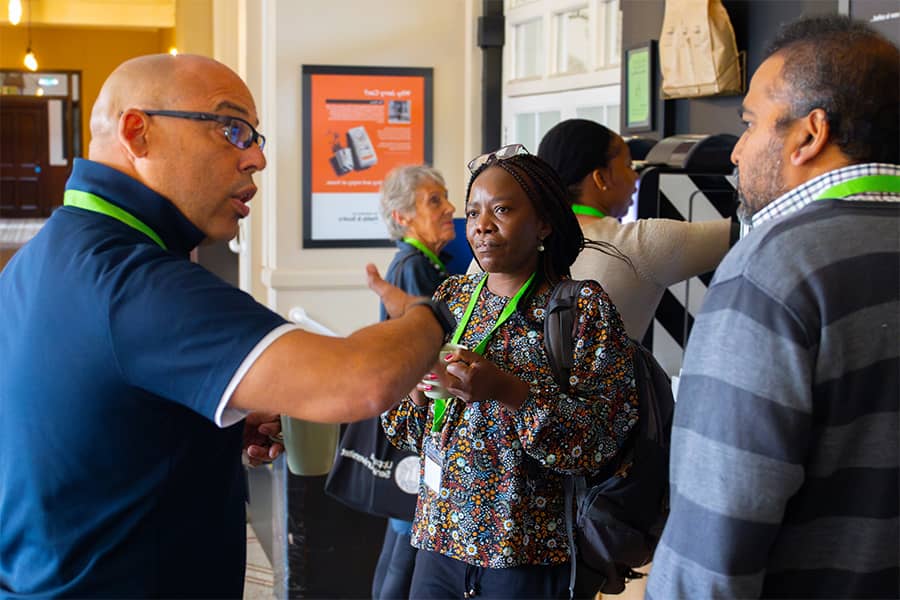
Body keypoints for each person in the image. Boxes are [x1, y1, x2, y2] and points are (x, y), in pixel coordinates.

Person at [0, 54, 455, 598]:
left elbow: (69, 416)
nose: (257, 157)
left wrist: (190, 424)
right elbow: (361, 379)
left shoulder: (43, 254)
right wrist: (433, 311)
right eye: (232, 129)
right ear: (136, 131)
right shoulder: (137, 280)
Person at [647, 14, 899, 599]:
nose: (736, 151)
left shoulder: (771, 270)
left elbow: (716, 534)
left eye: (750, 122)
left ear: (809, 134)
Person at [381, 147, 639, 599]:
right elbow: (402, 427)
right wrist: (418, 392)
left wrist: (507, 390)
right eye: (474, 212)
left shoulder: (581, 309)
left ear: (542, 223)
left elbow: (600, 441)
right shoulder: (453, 297)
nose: (481, 225)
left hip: (527, 556)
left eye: (501, 210)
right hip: (438, 540)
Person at [328, 164, 456, 600]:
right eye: (434, 201)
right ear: (403, 218)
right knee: (408, 525)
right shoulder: (415, 268)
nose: (450, 209)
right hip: (417, 418)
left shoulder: (419, 264)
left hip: (416, 415)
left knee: (405, 526)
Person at [537, 118, 737, 340]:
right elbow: (746, 234)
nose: (635, 176)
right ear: (601, 178)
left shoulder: (529, 242)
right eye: (628, 166)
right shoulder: (635, 245)